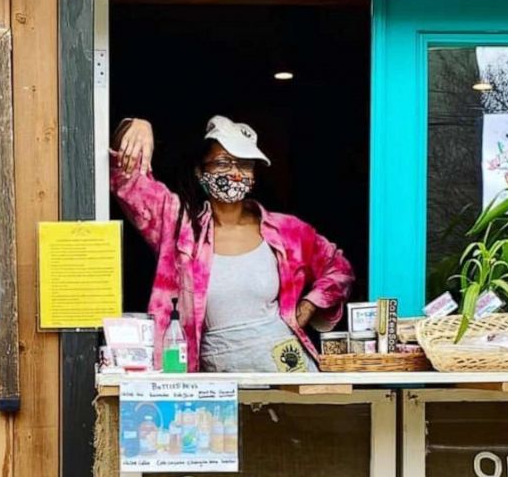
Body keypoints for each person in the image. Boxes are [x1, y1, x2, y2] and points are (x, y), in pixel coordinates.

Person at [111, 115, 354, 373]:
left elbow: (340, 269)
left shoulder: (286, 230)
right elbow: (128, 181)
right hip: (219, 383)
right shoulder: (179, 225)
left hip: (287, 371)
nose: (234, 173)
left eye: (244, 164)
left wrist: (309, 305)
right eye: (222, 163)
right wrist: (136, 126)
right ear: (199, 170)